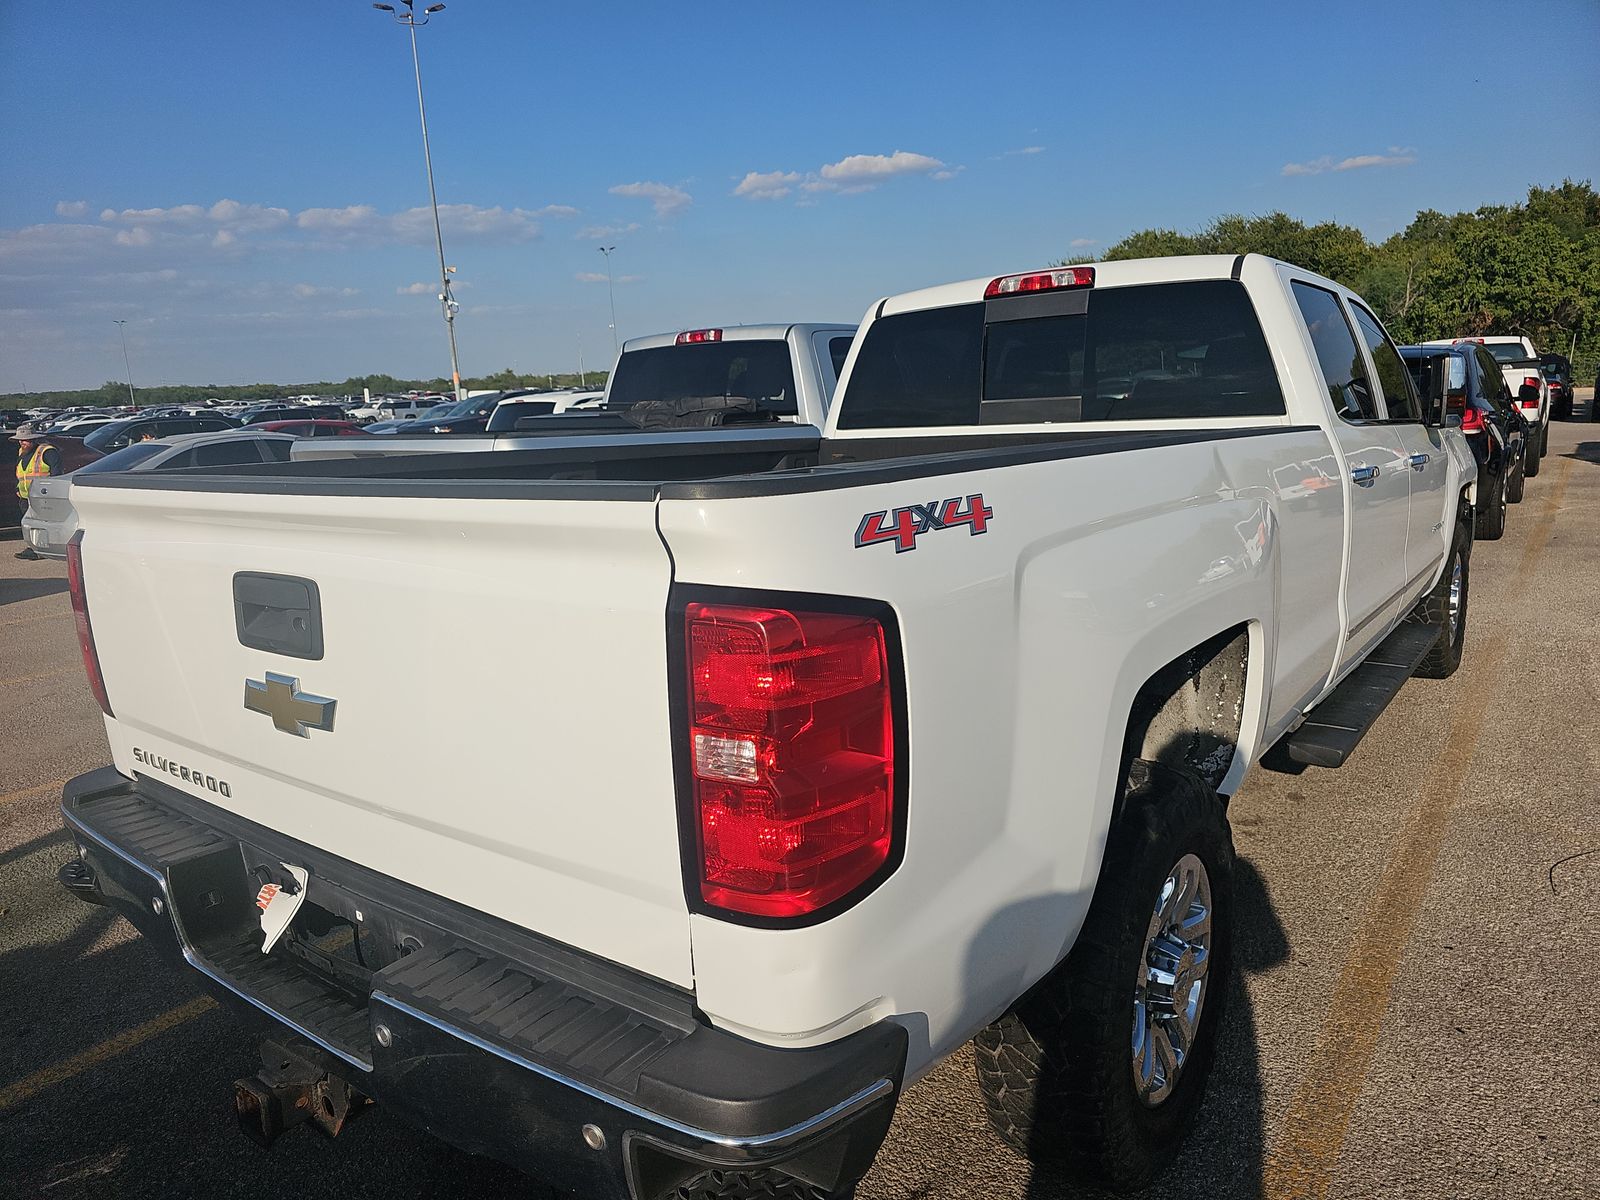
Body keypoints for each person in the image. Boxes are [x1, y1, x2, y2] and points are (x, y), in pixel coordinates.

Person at [12, 421, 62, 560]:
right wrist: (17, 487)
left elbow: (56, 474)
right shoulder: (22, 452)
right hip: (25, 497)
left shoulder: (47, 452)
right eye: (20, 440)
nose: (22, 443)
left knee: (42, 524)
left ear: (34, 439)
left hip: (41, 496)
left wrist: (52, 492)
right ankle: (34, 547)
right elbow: (20, 473)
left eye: (26, 440)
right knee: (30, 524)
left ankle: (39, 549)